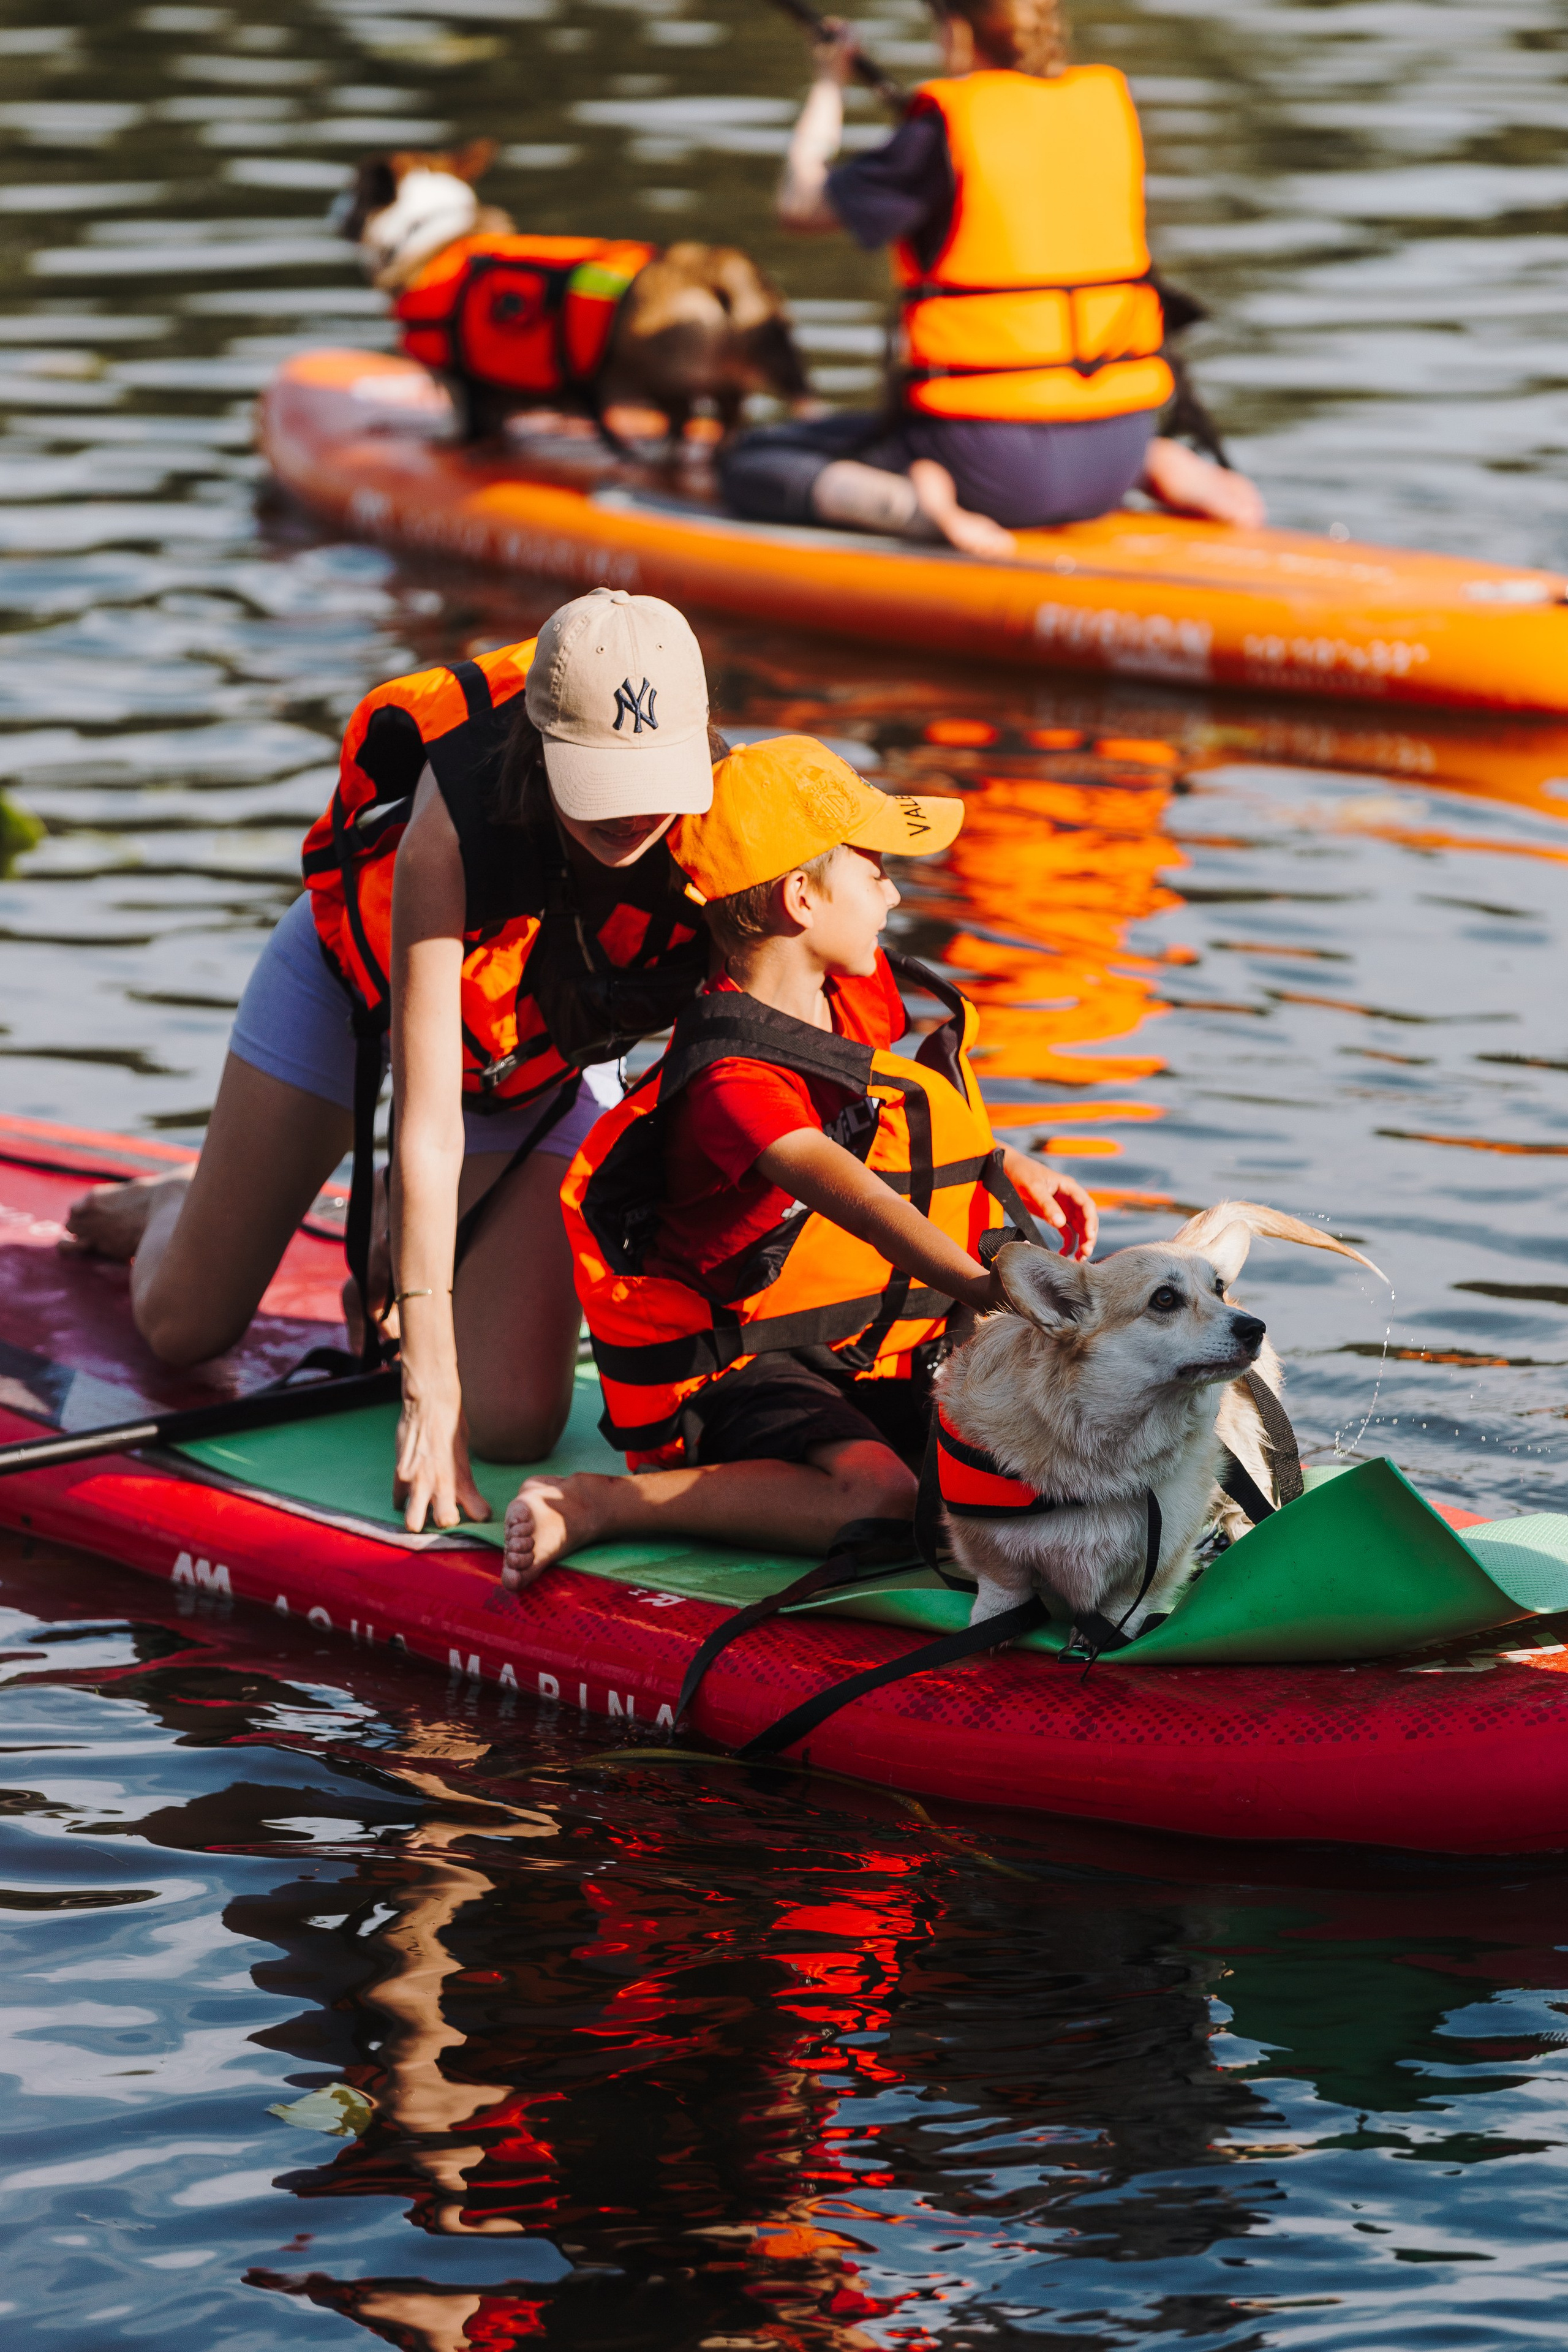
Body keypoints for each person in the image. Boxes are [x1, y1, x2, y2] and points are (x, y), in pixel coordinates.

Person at [63, 587, 722, 1534]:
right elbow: (423, 1123)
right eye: (605, 784)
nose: (634, 818)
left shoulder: (726, 826)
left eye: (654, 778)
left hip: (535, 1054)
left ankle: (388, 1248)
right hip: (358, 993)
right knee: (186, 1330)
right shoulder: (453, 829)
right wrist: (427, 1388)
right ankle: (180, 1200)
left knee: (518, 1425)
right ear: (542, 747)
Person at [500, 733, 1097, 1588]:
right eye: (875, 869)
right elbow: (855, 1193)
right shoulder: (731, 1081)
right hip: (739, 1366)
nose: (895, 892)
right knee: (884, 1494)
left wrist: (1006, 1164)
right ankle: (598, 1502)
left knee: (1035, 1441)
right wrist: (982, 1286)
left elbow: (886, 1132)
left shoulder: (851, 990)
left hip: (854, 1344)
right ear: (801, 899)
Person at [720, 0, 1265, 558]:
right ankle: (1158, 462)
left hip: (994, 470)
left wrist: (828, 85)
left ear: (956, 31)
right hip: (1116, 446)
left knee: (753, 461)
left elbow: (799, 206)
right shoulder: (1104, 105)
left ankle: (917, 508)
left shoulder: (941, 130)